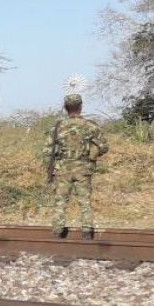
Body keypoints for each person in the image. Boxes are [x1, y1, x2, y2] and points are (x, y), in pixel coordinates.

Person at [42, 93, 109, 239]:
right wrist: (92, 153)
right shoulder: (90, 126)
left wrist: (51, 168)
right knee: (84, 202)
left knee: (60, 202)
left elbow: (47, 151)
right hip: (83, 169)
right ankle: (86, 232)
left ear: (66, 108)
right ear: (81, 107)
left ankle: (57, 232)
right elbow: (104, 147)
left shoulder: (57, 127)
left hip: (62, 170)